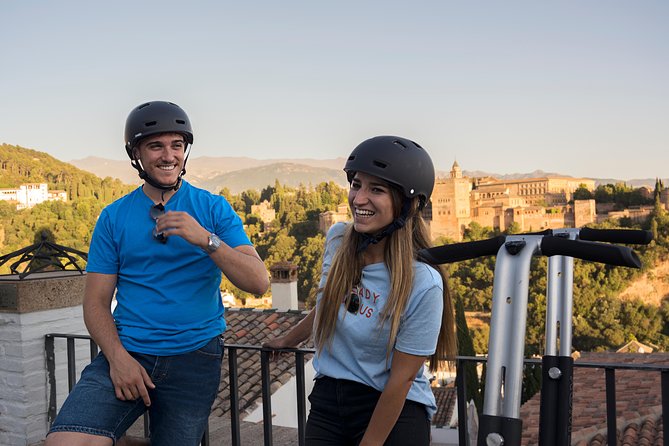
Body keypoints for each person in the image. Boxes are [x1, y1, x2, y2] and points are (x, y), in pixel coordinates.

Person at [46, 101, 269, 446]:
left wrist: (206, 239)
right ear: (136, 154)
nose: (169, 155)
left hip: (195, 358)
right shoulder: (113, 217)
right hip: (128, 351)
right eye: (156, 146)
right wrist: (119, 360)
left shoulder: (213, 208)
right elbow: (95, 303)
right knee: (65, 441)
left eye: (177, 145)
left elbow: (258, 282)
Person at [265, 136, 456, 445]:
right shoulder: (339, 239)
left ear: (408, 204)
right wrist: (288, 339)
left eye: (376, 189)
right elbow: (331, 301)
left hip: (392, 407)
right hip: (329, 399)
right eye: (357, 184)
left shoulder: (423, 283)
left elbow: (402, 379)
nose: (359, 198)